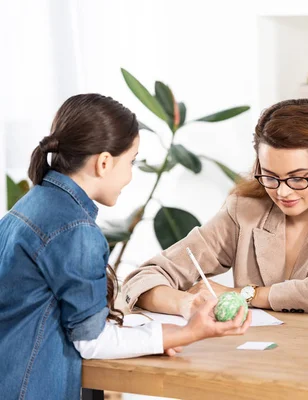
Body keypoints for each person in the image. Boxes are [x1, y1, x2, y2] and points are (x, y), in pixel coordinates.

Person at [0, 94, 251, 400]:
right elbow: (92, 342)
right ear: (104, 162)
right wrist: (191, 331)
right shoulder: (76, 231)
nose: (131, 175)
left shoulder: (28, 206)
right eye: (131, 162)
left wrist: (157, 337)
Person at [122, 98, 308, 317]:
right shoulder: (244, 210)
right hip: (250, 358)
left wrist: (243, 294)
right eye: (270, 176)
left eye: (298, 177)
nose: (283, 192)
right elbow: (143, 278)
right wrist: (185, 305)